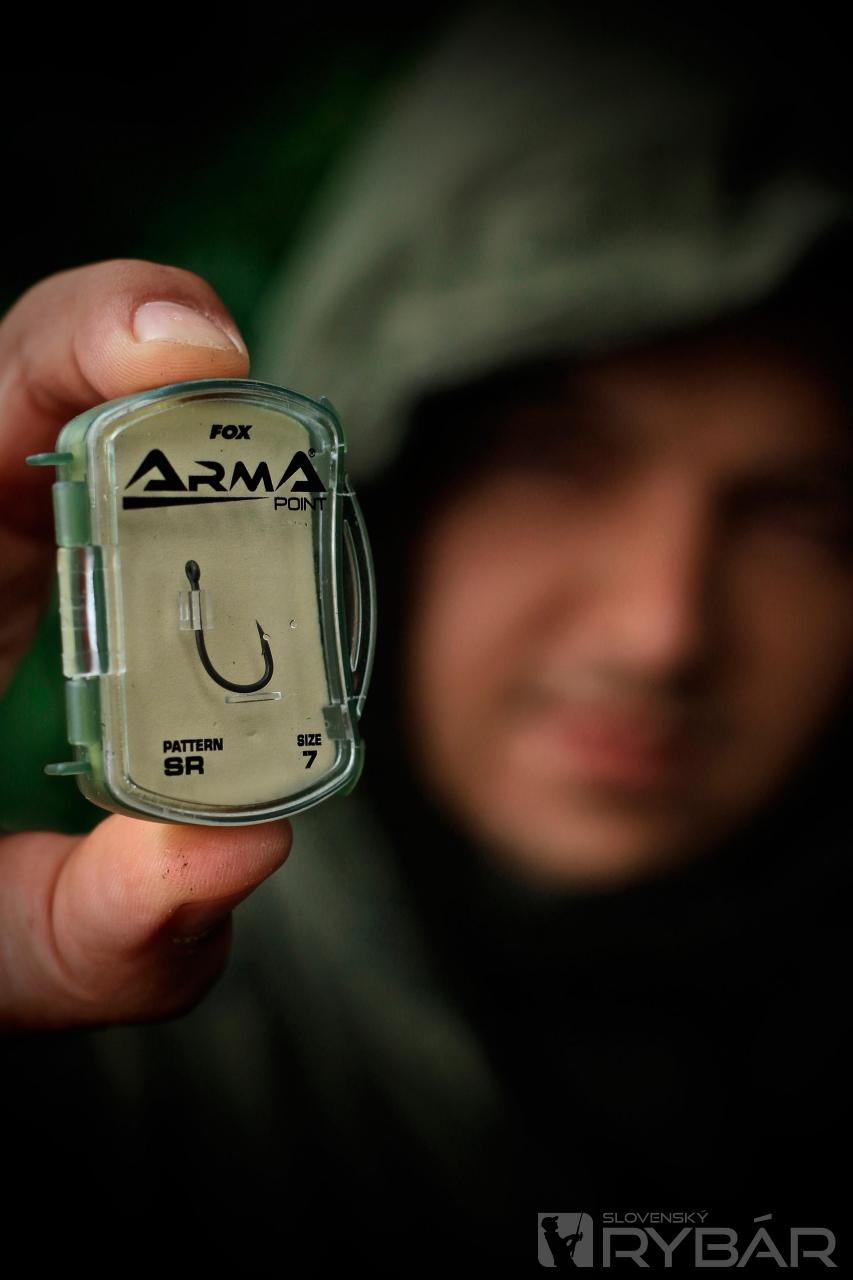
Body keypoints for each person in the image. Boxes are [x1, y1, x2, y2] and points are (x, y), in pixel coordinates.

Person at [1, 5, 850, 1270]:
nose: (659, 633)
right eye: (554, 459)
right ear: (380, 501)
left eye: (800, 512)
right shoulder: (103, 1097)